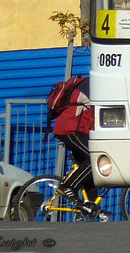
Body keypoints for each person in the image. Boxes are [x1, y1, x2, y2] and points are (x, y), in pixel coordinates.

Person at [50, 75, 95, 209]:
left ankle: (90, 207)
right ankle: (68, 186)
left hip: (73, 129)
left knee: (86, 169)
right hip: (70, 130)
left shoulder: (87, 84)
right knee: (94, 159)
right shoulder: (92, 87)